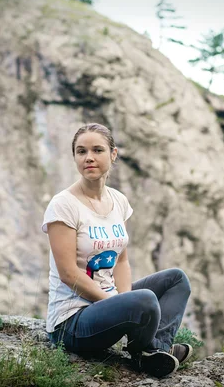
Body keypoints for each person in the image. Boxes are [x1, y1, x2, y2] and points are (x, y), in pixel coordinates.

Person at [41, 123, 193, 378]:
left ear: (113, 154)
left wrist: (125, 303)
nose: (88, 157)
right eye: (81, 151)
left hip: (107, 303)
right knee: (143, 299)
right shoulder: (63, 205)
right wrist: (121, 304)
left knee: (176, 279)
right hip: (72, 322)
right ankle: (148, 352)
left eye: (97, 150)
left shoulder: (118, 201)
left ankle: (156, 350)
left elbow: (121, 261)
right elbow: (67, 273)